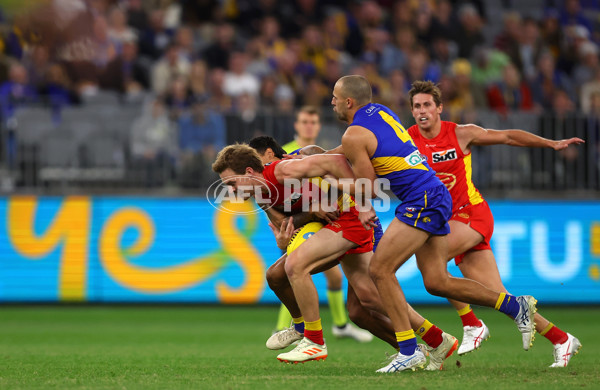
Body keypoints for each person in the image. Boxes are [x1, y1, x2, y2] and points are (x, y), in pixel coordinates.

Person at [331, 75, 537, 373]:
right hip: (435, 194)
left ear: (348, 102)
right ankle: (515, 306)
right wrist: (313, 157)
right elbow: (352, 150)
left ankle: (408, 349)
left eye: (335, 97)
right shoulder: (381, 114)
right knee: (436, 281)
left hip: (420, 199)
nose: (332, 102)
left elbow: (367, 182)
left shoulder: (354, 134)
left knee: (379, 269)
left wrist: (363, 206)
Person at [212, 142, 458, 369]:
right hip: (334, 225)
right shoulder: (260, 194)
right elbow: (284, 224)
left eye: (232, 183)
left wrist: (360, 203)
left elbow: (338, 161)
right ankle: (438, 338)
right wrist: (285, 236)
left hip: (350, 215)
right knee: (368, 299)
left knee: (295, 267)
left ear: (248, 171)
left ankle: (313, 339)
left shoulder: (282, 170)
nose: (231, 191)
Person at [406, 80, 584, 367]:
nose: (422, 110)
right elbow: (367, 148)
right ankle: (562, 339)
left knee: (430, 259)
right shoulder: (407, 140)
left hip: (472, 215)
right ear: (412, 111)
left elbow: (509, 137)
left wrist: (550, 143)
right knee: (499, 297)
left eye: (427, 105)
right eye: (417, 106)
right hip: (448, 221)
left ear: (439, 108)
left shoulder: (461, 133)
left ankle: (471, 323)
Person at [272, 108, 372, 343]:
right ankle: (285, 328)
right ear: (296, 125)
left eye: (313, 122)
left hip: (323, 219)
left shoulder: (320, 152)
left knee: (329, 278)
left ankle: (339, 326)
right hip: (299, 222)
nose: (309, 126)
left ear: (318, 126)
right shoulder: (285, 153)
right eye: (304, 121)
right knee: (292, 272)